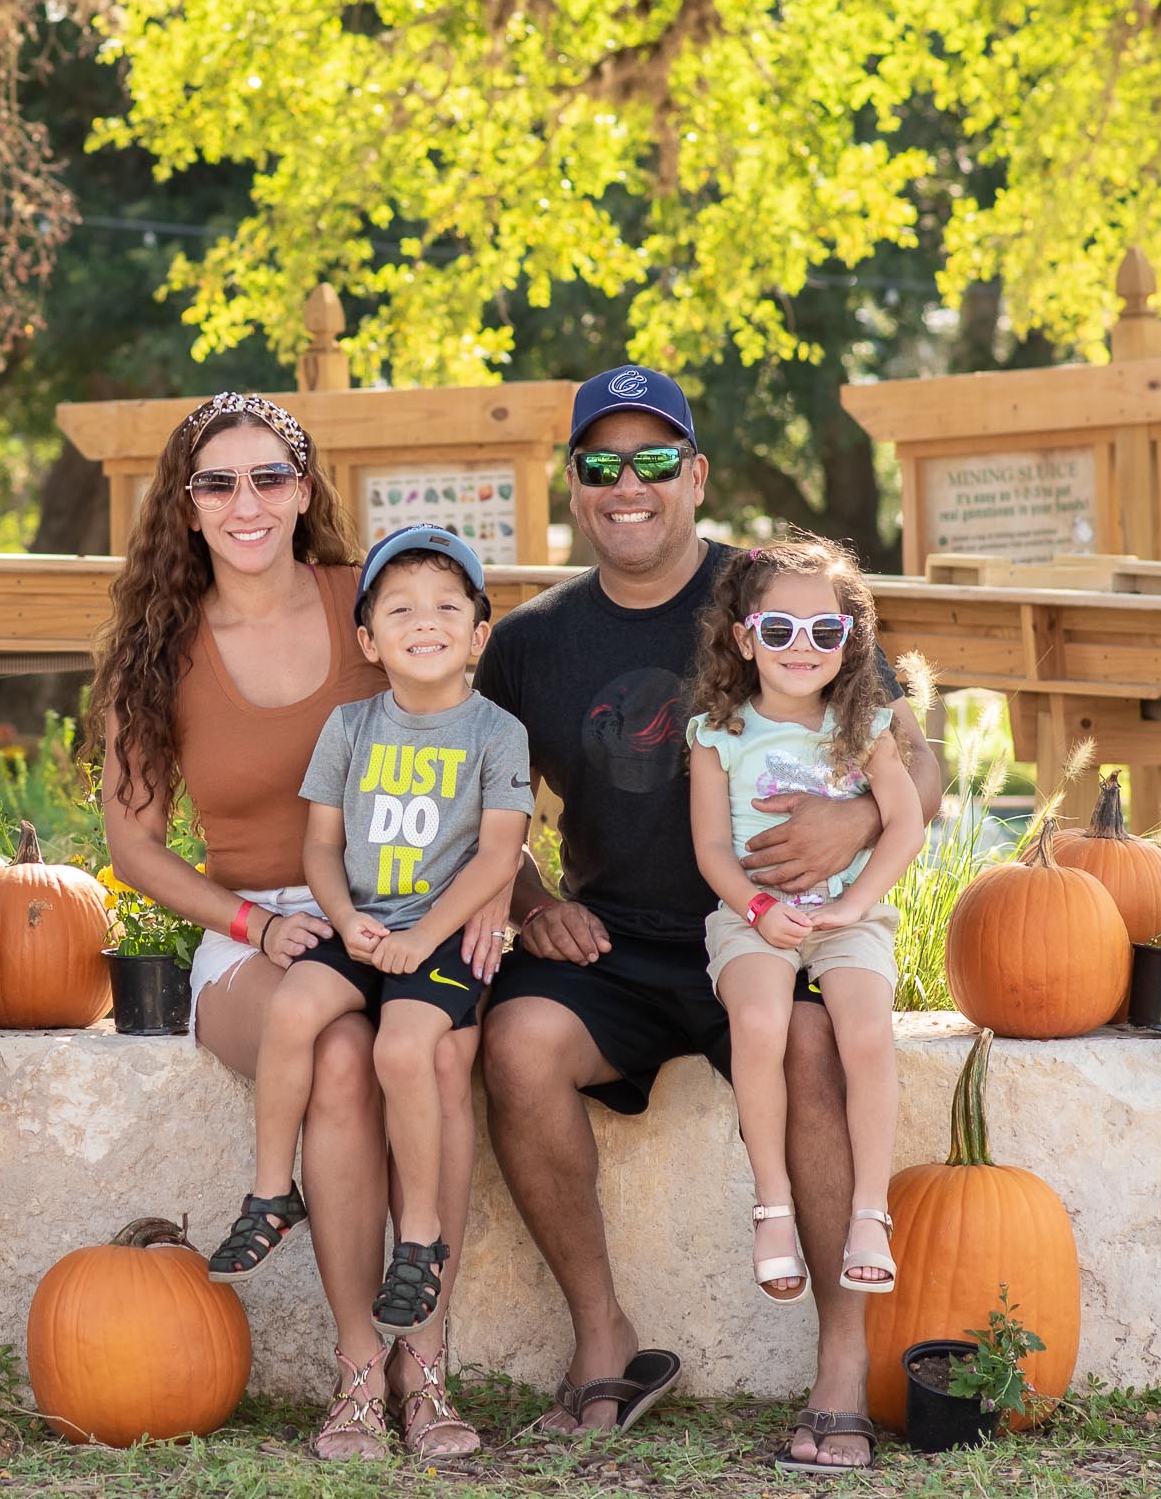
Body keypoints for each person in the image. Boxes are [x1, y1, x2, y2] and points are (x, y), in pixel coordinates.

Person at [476, 366, 942, 1470]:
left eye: (652, 462)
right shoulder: (534, 640)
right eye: (599, 465)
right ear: (575, 486)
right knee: (516, 1045)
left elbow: (917, 760)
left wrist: (850, 820)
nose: (625, 486)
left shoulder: (776, 591)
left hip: (785, 928)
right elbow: (467, 790)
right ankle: (605, 1345)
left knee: (820, 1047)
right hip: (620, 943)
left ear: (694, 475)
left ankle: (841, 1365)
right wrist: (533, 903)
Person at [91, 393, 503, 1459]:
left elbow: (467, 756)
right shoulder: (159, 647)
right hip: (256, 929)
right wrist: (247, 922)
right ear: (185, 508)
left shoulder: (365, 606)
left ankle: (430, 1365)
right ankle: (360, 1369)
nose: (246, 502)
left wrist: (507, 895)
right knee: (340, 1054)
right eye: (218, 483)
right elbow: (133, 846)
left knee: (435, 1055)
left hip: (404, 911)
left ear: (305, 492)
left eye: (269, 478)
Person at [208, 525, 531, 1358]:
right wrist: (345, 917)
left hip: (445, 933)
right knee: (297, 1009)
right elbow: (320, 844)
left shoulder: (497, 732)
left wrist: (425, 935)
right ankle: (273, 1192)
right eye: (400, 609)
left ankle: (419, 1237)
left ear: (478, 632)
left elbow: (500, 852)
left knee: (402, 1049)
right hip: (362, 924)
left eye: (446, 607)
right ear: (369, 638)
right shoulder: (352, 727)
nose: (425, 622)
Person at [686, 536, 921, 1310]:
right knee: (759, 1021)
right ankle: (774, 1210)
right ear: (746, 638)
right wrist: (756, 907)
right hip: (751, 918)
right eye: (779, 630)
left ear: (849, 640)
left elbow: (905, 825)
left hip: (847, 919)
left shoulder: (865, 725)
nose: (802, 647)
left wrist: (856, 906)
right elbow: (713, 846)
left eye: (825, 632)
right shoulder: (718, 735)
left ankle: (868, 1214)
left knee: (865, 1033)